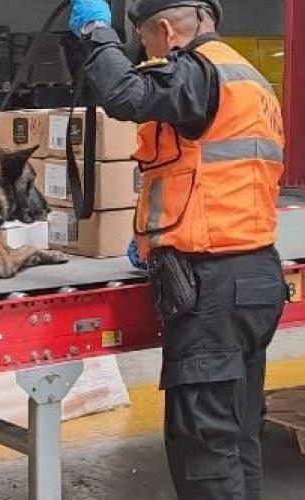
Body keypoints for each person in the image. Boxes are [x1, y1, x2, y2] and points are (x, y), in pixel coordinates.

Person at [68, 1, 290, 499]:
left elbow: (125, 95)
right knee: (235, 434)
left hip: (212, 286)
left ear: (167, 32)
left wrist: (98, 32)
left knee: (204, 444)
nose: (150, 58)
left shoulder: (197, 71)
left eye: (146, 46)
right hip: (253, 274)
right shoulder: (247, 77)